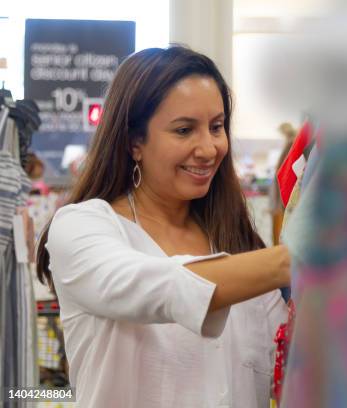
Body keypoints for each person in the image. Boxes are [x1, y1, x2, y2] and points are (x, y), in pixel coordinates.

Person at [35, 46, 291, 408]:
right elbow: (160, 286)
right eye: (184, 130)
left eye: (216, 127)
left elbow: (298, 349)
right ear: (134, 142)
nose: (208, 148)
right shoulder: (82, 227)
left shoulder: (241, 245)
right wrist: (292, 260)